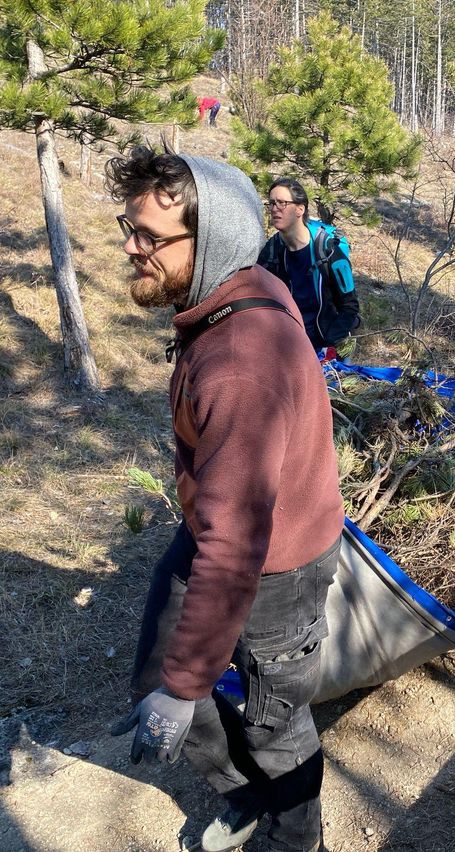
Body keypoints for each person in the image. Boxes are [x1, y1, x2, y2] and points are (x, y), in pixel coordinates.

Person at [104, 146, 343, 852]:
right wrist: (176, 682)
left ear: (211, 244)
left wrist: (186, 692)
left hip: (277, 564)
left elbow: (238, 544)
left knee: (276, 724)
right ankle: (244, 798)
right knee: (160, 666)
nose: (130, 247)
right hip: (224, 525)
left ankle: (296, 838)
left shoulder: (240, 359)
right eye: (130, 226)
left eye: (149, 237)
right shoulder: (229, 292)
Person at [257, 178, 361, 355]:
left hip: (329, 343)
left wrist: (331, 341)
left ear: (300, 209)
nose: (274, 209)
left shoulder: (329, 249)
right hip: (291, 343)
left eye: (282, 203)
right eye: (272, 203)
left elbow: (350, 306)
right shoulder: (272, 250)